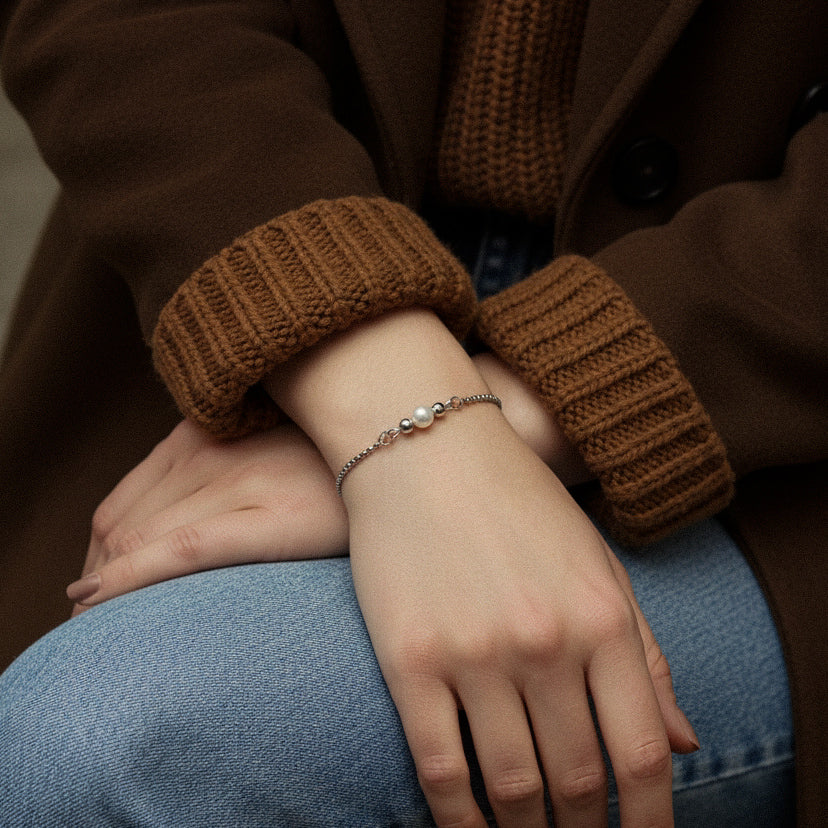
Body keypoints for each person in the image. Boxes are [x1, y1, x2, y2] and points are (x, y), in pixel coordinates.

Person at [0, 0, 825, 825]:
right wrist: (377, 385)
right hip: (233, 270)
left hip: (766, 407)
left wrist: (505, 413)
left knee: (111, 736)